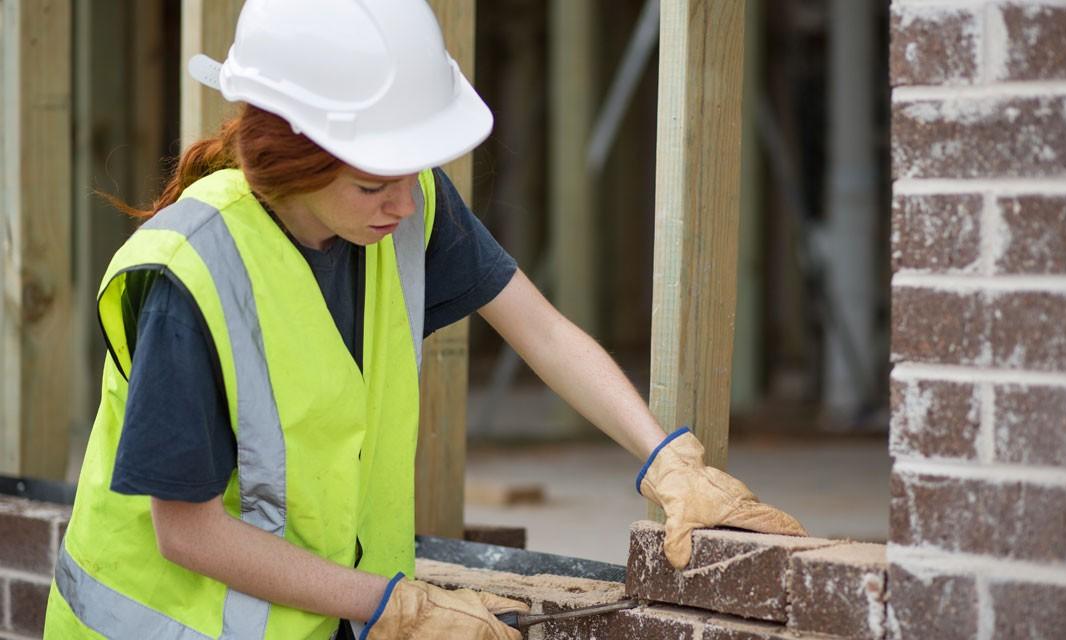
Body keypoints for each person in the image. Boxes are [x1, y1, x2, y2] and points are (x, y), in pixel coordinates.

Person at [44, 1, 806, 638]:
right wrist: (393, 608)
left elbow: (538, 329)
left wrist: (668, 460)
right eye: (376, 182)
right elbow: (188, 532)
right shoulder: (192, 276)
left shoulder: (401, 211)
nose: (406, 204)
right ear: (289, 158)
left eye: (413, 170)